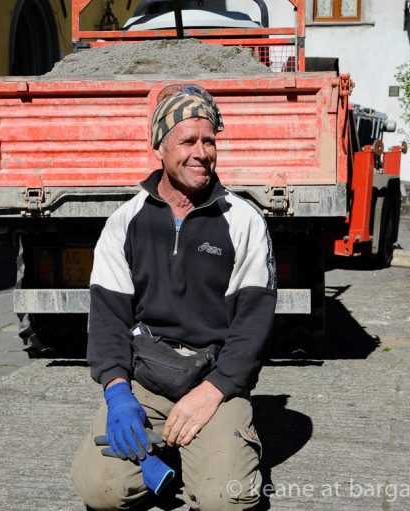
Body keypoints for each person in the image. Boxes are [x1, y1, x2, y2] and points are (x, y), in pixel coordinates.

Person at [70, 83, 277, 510]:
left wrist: (215, 390)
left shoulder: (243, 221)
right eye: (188, 141)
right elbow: (108, 319)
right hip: (145, 382)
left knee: (224, 500)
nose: (202, 152)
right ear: (159, 149)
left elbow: (253, 328)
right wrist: (117, 392)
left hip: (212, 383)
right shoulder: (125, 222)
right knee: (101, 491)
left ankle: (207, 449)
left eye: (209, 141)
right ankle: (169, 452)